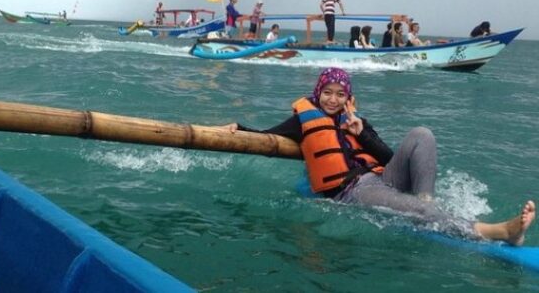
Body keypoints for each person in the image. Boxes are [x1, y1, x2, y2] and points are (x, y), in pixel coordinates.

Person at [218, 67, 535, 245]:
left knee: (422, 134)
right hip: (354, 190)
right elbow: (266, 136)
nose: (332, 99)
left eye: (340, 94)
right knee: (411, 207)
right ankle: (499, 232)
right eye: (326, 93)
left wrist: (361, 133)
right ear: (317, 94)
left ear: (348, 98)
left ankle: (426, 202)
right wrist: (238, 127)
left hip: (381, 179)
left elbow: (390, 155)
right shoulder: (304, 121)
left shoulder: (357, 121)